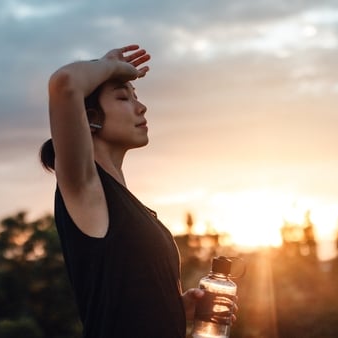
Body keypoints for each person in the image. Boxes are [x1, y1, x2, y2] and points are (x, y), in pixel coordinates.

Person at [40, 45, 216, 337]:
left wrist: (177, 311)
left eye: (136, 97)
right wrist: (111, 65)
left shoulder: (129, 207)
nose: (141, 107)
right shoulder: (86, 186)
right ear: (91, 117)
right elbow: (65, 83)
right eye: (123, 97)